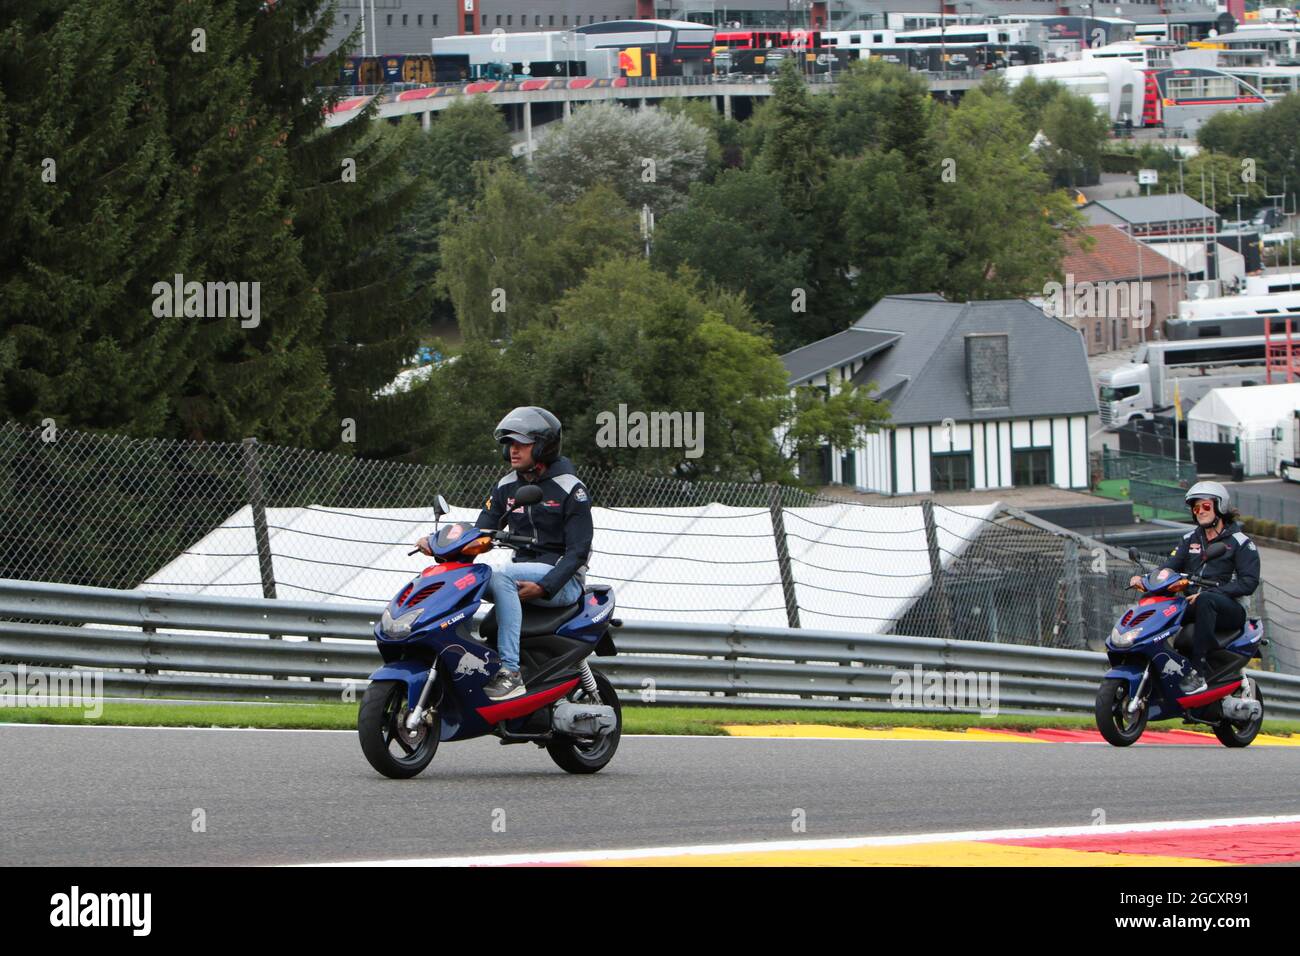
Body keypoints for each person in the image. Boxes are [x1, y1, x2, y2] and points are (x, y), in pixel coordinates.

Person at [417, 406, 592, 701]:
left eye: (521, 444)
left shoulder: (571, 489)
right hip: (518, 574)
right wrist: (438, 545)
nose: (513, 450)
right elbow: (480, 534)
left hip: (563, 581)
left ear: (543, 446)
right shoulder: (505, 487)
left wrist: (545, 586)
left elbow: (577, 553)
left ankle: (511, 673)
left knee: (502, 576)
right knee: (466, 579)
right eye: (510, 444)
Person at [1129, 481, 1260, 695]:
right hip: (1193, 603)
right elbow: (1168, 568)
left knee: (1206, 600)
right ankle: (1155, 667)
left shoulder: (1240, 542)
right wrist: (1145, 579)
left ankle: (1198, 673)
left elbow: (1249, 583)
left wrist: (1212, 592)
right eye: (1195, 508)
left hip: (1230, 609)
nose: (1199, 512)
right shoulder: (1189, 539)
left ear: (1220, 506)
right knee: (1161, 605)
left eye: (1205, 506)